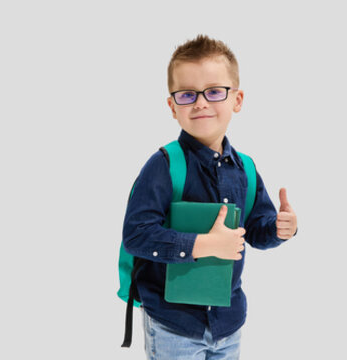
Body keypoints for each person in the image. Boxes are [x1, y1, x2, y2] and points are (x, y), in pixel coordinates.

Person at [122, 34, 298, 359]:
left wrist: (278, 229)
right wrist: (202, 245)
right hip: (173, 324)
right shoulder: (163, 166)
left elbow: (256, 229)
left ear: (238, 100)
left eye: (214, 91)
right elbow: (137, 236)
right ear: (173, 107)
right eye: (187, 95)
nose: (201, 102)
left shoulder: (245, 167)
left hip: (228, 324)